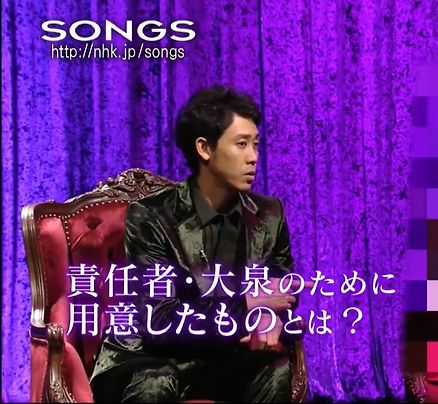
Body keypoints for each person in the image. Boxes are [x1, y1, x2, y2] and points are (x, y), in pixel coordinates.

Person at [90, 85, 307, 402]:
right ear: (204, 149)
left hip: (224, 357)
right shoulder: (151, 216)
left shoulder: (269, 214)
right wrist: (248, 304)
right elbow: (160, 319)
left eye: (256, 145)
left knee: (276, 371)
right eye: (241, 144)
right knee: (155, 383)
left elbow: (281, 288)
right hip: (149, 357)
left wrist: (269, 315)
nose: (253, 157)